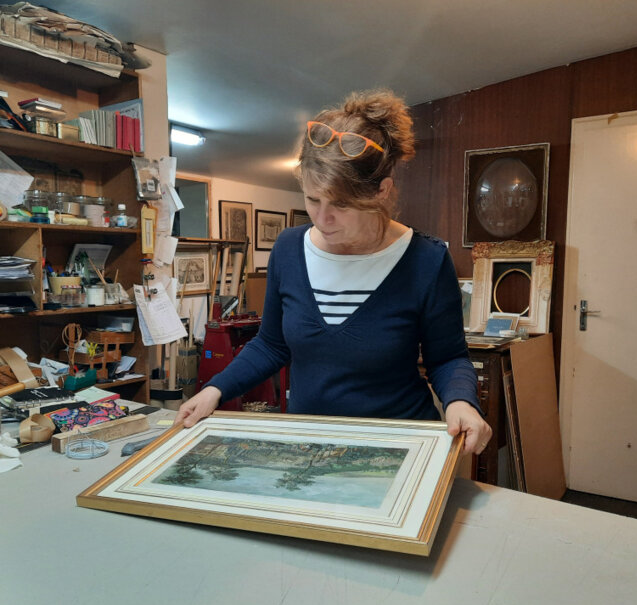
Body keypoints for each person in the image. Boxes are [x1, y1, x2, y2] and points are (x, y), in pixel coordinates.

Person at [175, 89, 491, 456]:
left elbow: (448, 357)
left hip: (398, 447)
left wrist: (460, 401)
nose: (322, 219)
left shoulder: (426, 259)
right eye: (312, 199)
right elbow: (272, 343)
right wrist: (215, 389)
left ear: (381, 191)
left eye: (341, 204)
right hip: (309, 446)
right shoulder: (289, 250)